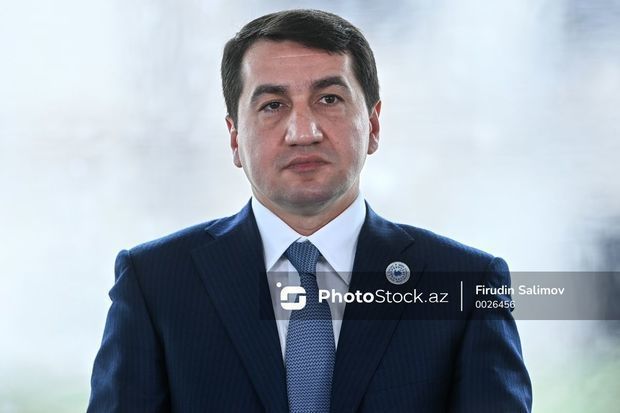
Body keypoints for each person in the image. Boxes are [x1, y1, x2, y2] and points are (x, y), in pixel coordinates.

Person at [88, 9, 532, 413]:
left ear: (373, 124)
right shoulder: (155, 282)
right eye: (273, 106)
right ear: (234, 138)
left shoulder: (466, 284)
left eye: (329, 99)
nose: (303, 132)